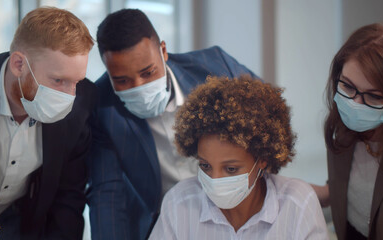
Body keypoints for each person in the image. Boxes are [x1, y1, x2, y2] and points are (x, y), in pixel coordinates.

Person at [87, 8, 260, 240]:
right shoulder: (101, 106)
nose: (138, 86)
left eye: (148, 73)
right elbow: (107, 194)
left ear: (163, 51)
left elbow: (267, 121)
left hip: (236, 209)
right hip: (162, 224)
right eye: (122, 80)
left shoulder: (215, 66)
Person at [0, 7, 97, 239]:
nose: (69, 95)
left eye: (76, 81)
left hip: (19, 223)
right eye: (58, 80)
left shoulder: (82, 101)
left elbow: (68, 196)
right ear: (19, 65)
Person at [149, 75, 328, 239]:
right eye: (205, 166)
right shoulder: (179, 203)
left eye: (231, 169)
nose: (215, 180)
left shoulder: (298, 204)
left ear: (262, 159)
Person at [313, 23, 383, 239]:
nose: (355, 103)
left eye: (374, 97)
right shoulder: (344, 127)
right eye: (347, 86)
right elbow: (352, 186)